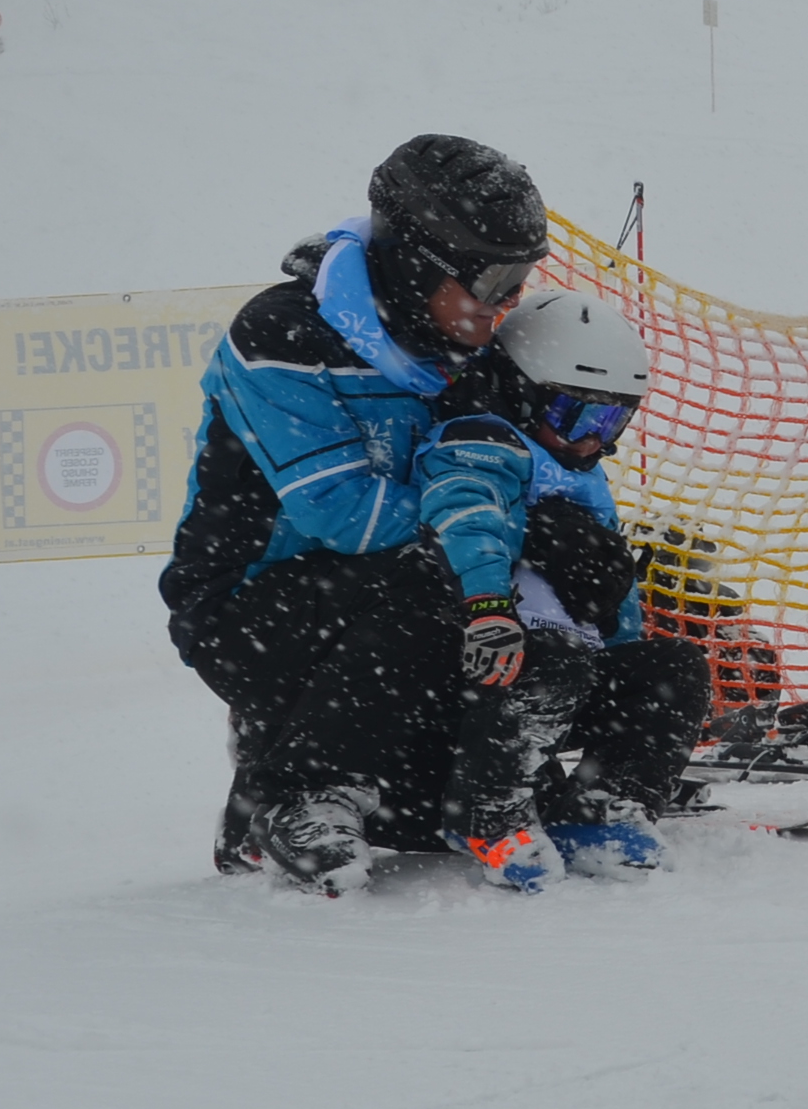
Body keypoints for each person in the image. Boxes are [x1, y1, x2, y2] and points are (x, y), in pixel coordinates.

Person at [167, 134, 563, 896]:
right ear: (417, 263)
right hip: (248, 607)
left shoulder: (464, 349)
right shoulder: (284, 336)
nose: (507, 301)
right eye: (492, 279)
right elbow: (342, 512)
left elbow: (501, 480)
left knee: (429, 799)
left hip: (382, 605)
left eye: (521, 279)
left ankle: (265, 795)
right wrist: (470, 534)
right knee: (439, 576)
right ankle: (300, 793)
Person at [430, 287, 711, 877]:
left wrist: (613, 615)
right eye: (574, 415)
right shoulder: (482, 443)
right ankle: (487, 814)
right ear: (521, 392)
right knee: (556, 660)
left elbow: (609, 599)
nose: (591, 438)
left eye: (610, 420)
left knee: (675, 666)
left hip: (562, 674)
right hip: (482, 661)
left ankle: (604, 805)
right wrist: (489, 603)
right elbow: (468, 521)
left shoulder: (587, 477)